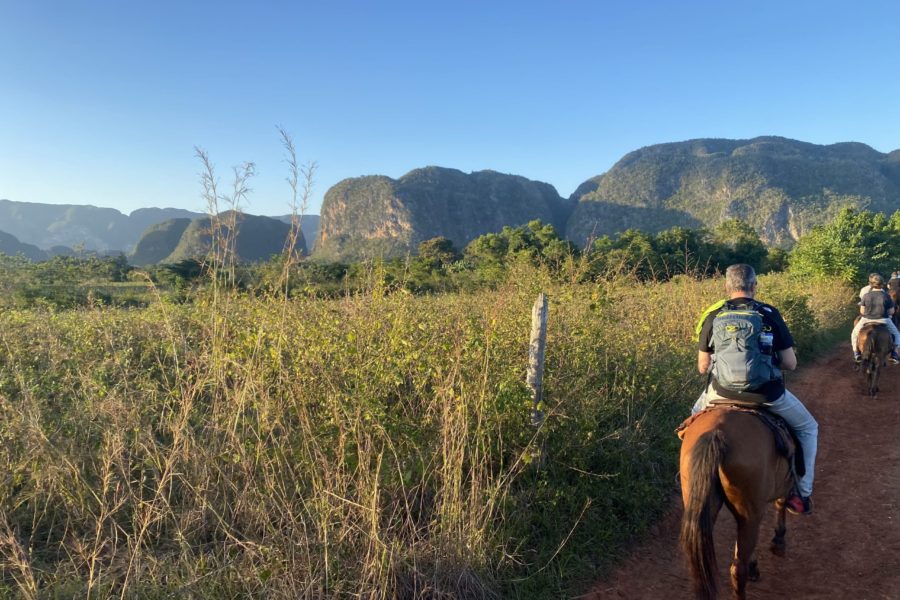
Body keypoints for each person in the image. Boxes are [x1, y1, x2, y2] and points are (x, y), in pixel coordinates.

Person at [692, 264, 817, 516]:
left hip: (721, 392)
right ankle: (801, 494)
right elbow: (790, 364)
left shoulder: (713, 314)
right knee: (809, 428)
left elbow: (703, 367)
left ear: (727, 287)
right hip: (766, 394)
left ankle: (687, 473)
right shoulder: (769, 313)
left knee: (692, 422)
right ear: (754, 286)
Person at [851, 273, 900, 364]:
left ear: (871, 284)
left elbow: (862, 311)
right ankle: (894, 354)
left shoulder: (866, 296)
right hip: (883, 319)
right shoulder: (886, 296)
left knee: (854, 333)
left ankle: (856, 353)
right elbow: (891, 312)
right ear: (882, 284)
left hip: (866, 319)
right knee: (897, 334)